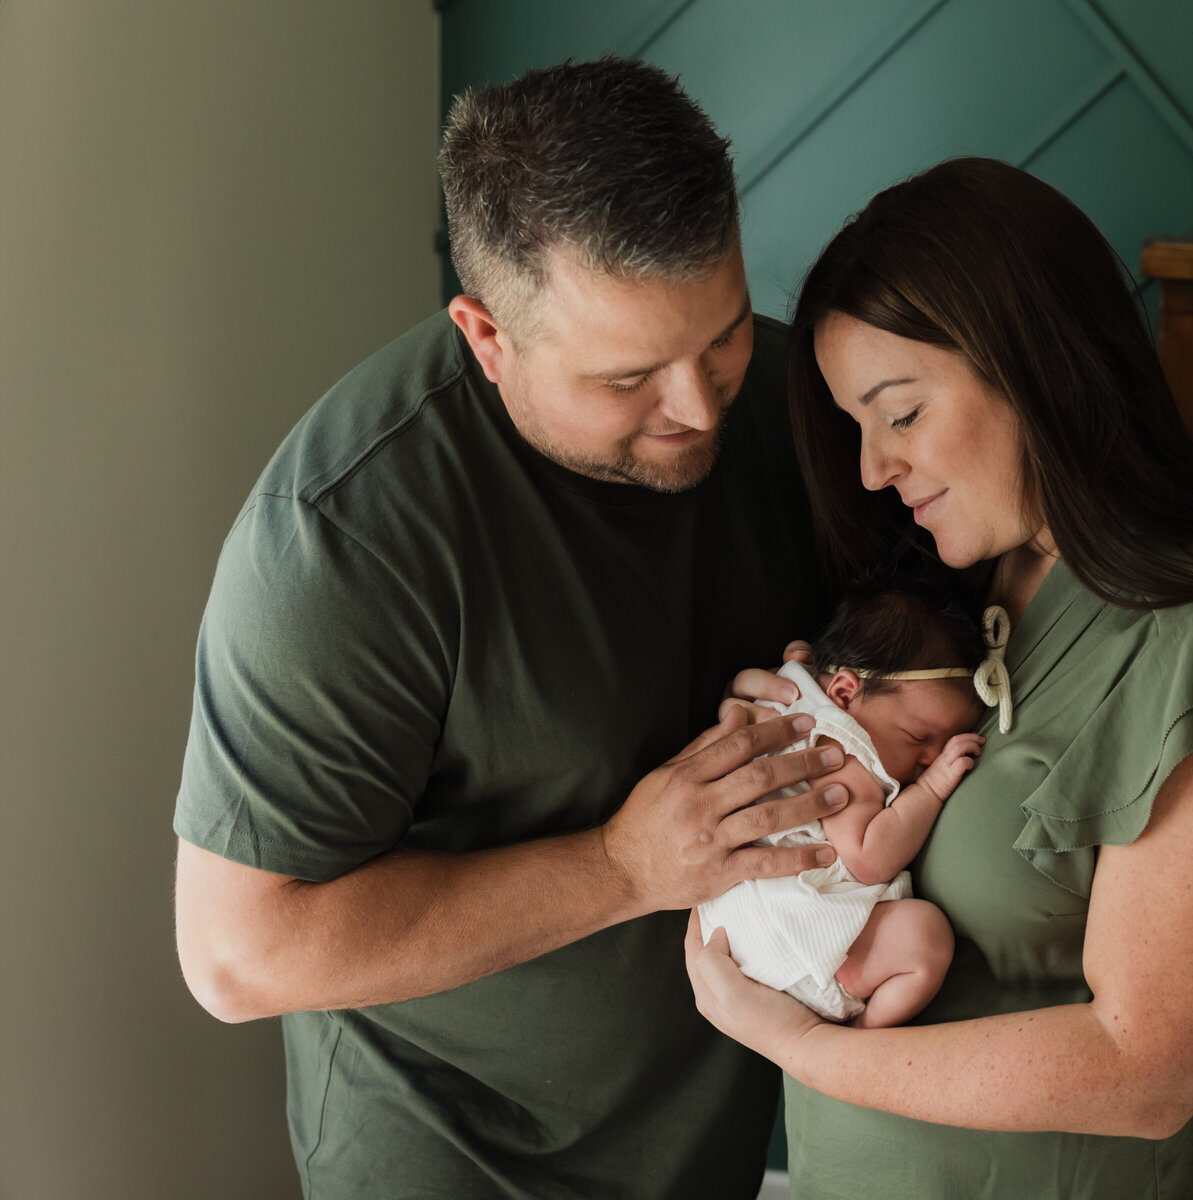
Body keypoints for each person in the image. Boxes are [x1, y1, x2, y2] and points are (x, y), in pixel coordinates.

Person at [172, 58, 845, 1200]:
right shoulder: (347, 537)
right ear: (487, 336)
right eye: (629, 375)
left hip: (703, 1136)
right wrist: (622, 868)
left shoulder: (792, 405)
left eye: (721, 334)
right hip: (442, 1151)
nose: (696, 405)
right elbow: (241, 953)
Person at [685, 157, 1193, 1198]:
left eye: (899, 414)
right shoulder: (951, 592)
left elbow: (1149, 1072)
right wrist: (780, 725)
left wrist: (800, 1047)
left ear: (1034, 365)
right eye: (855, 428)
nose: (872, 469)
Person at [699, 580, 989, 1028]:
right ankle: (861, 1034)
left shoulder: (793, 686)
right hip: (797, 945)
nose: (929, 758)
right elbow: (867, 858)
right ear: (844, 693)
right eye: (918, 738)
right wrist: (931, 789)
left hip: (736, 932)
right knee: (925, 939)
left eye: (943, 744)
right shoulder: (841, 743)